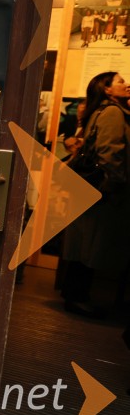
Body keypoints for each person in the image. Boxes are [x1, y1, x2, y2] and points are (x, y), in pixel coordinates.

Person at [59, 72, 130, 318]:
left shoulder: (99, 111)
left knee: (84, 243)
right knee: (90, 245)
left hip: (92, 187)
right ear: (107, 89)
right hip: (102, 189)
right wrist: (116, 183)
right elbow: (109, 152)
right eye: (120, 81)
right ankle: (77, 297)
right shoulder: (112, 112)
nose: (126, 84)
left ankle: (74, 295)